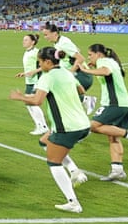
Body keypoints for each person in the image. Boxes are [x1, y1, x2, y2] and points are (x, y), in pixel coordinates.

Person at [9, 46, 92, 213]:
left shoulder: (47, 77)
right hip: (83, 124)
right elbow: (81, 90)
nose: (39, 65)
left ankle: (73, 202)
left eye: (40, 62)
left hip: (67, 127)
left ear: (48, 62)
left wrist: (20, 97)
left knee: (54, 162)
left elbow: (38, 101)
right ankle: (75, 171)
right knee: (44, 141)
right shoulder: (66, 73)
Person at [78, 43, 128, 181]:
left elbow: (106, 72)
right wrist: (94, 67)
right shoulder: (111, 61)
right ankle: (118, 170)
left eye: (90, 55)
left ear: (98, 54)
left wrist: (86, 71)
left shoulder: (104, 61)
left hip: (114, 104)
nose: (89, 57)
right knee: (113, 136)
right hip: (125, 104)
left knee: (92, 126)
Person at [41, 23, 95, 114]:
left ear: (54, 33)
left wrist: (71, 72)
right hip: (78, 74)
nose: (45, 37)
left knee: (60, 92)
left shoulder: (63, 43)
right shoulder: (59, 42)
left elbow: (81, 58)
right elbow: (77, 50)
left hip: (82, 75)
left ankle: (87, 100)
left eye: (46, 35)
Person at [16, 33, 49, 136]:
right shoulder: (27, 52)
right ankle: (39, 125)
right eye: (23, 39)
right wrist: (24, 73)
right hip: (30, 81)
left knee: (32, 103)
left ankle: (42, 126)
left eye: (26, 40)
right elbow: (30, 67)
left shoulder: (36, 52)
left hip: (37, 81)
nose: (23, 41)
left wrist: (34, 72)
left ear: (33, 42)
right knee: (28, 103)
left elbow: (44, 65)